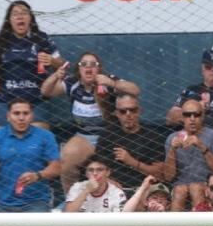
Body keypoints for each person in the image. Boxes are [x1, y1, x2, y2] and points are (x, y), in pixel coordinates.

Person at [41, 52, 141, 188]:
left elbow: (135, 90)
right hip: (85, 137)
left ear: (99, 69)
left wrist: (112, 83)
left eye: (93, 64)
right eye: (84, 64)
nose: (88, 68)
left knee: (113, 171)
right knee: (67, 157)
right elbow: (46, 92)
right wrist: (55, 76)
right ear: (79, 69)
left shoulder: (108, 79)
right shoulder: (73, 83)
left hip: (111, 136)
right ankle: (71, 199)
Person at [0, 99, 60, 213]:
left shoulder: (46, 136)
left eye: (25, 113)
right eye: (16, 113)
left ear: (32, 116)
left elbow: (56, 167)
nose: (21, 118)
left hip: (37, 201)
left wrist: (38, 175)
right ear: (8, 116)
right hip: (3, 202)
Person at [0, 1, 61, 113]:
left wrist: (52, 61)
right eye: (15, 14)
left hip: (36, 100)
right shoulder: (0, 41)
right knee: (1, 131)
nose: (20, 16)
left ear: (30, 18)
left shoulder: (42, 39)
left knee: (40, 129)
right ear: (9, 20)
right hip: (6, 100)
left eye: (24, 13)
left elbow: (63, 66)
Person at [163, 98, 213, 212]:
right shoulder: (172, 138)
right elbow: (168, 177)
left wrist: (201, 146)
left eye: (196, 115)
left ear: (202, 116)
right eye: (187, 115)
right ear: (182, 117)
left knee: (195, 187)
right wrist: (172, 150)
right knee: (180, 190)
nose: (192, 119)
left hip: (207, 185)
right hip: (179, 186)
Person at [94, 93, 165, 193]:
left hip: (146, 189)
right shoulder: (108, 136)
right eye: (123, 111)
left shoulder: (154, 136)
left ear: (139, 111)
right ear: (116, 113)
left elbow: (159, 174)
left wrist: (131, 161)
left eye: (133, 110)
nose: (128, 114)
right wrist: (107, 181)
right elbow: (95, 168)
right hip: (113, 189)